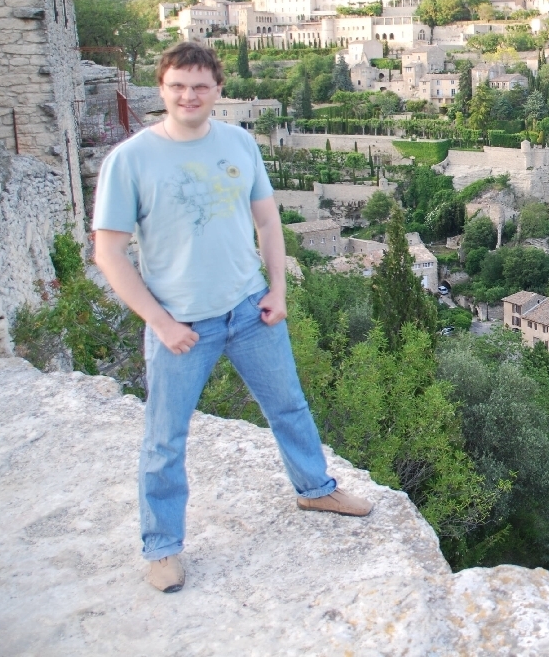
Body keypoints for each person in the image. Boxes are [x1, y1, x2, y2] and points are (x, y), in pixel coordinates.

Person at [93, 42, 372, 594]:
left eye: (200, 86)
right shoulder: (130, 160)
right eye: (177, 86)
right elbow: (109, 253)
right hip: (181, 325)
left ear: (218, 89)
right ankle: (162, 548)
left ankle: (316, 489)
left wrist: (278, 289)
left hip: (248, 309)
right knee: (165, 438)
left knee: (288, 405)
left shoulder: (239, 143)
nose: (189, 96)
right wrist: (160, 323)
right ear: (162, 88)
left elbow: (267, 222)